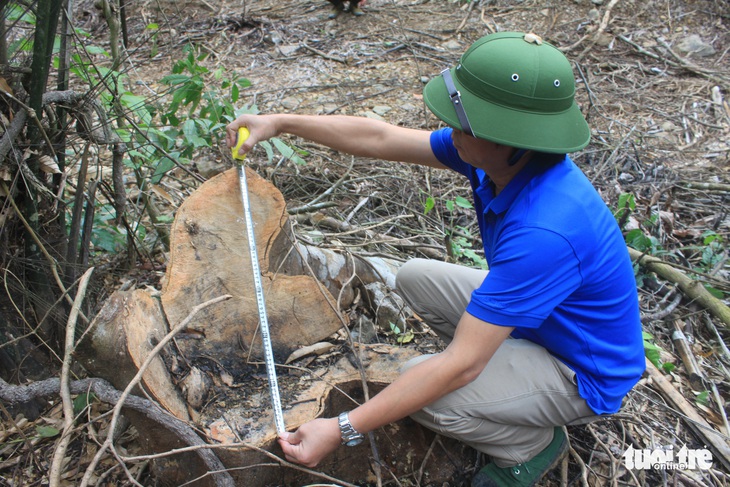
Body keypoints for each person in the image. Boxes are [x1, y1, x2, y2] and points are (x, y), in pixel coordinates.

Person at [226, 31, 645, 487]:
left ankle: (529, 446)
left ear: (515, 137)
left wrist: (341, 428)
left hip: (581, 370)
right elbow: (380, 136)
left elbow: (461, 365)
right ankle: (503, 382)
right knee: (415, 277)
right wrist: (280, 122)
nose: (453, 130)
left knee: (423, 387)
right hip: (546, 325)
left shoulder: (547, 229)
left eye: (467, 124)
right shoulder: (502, 158)